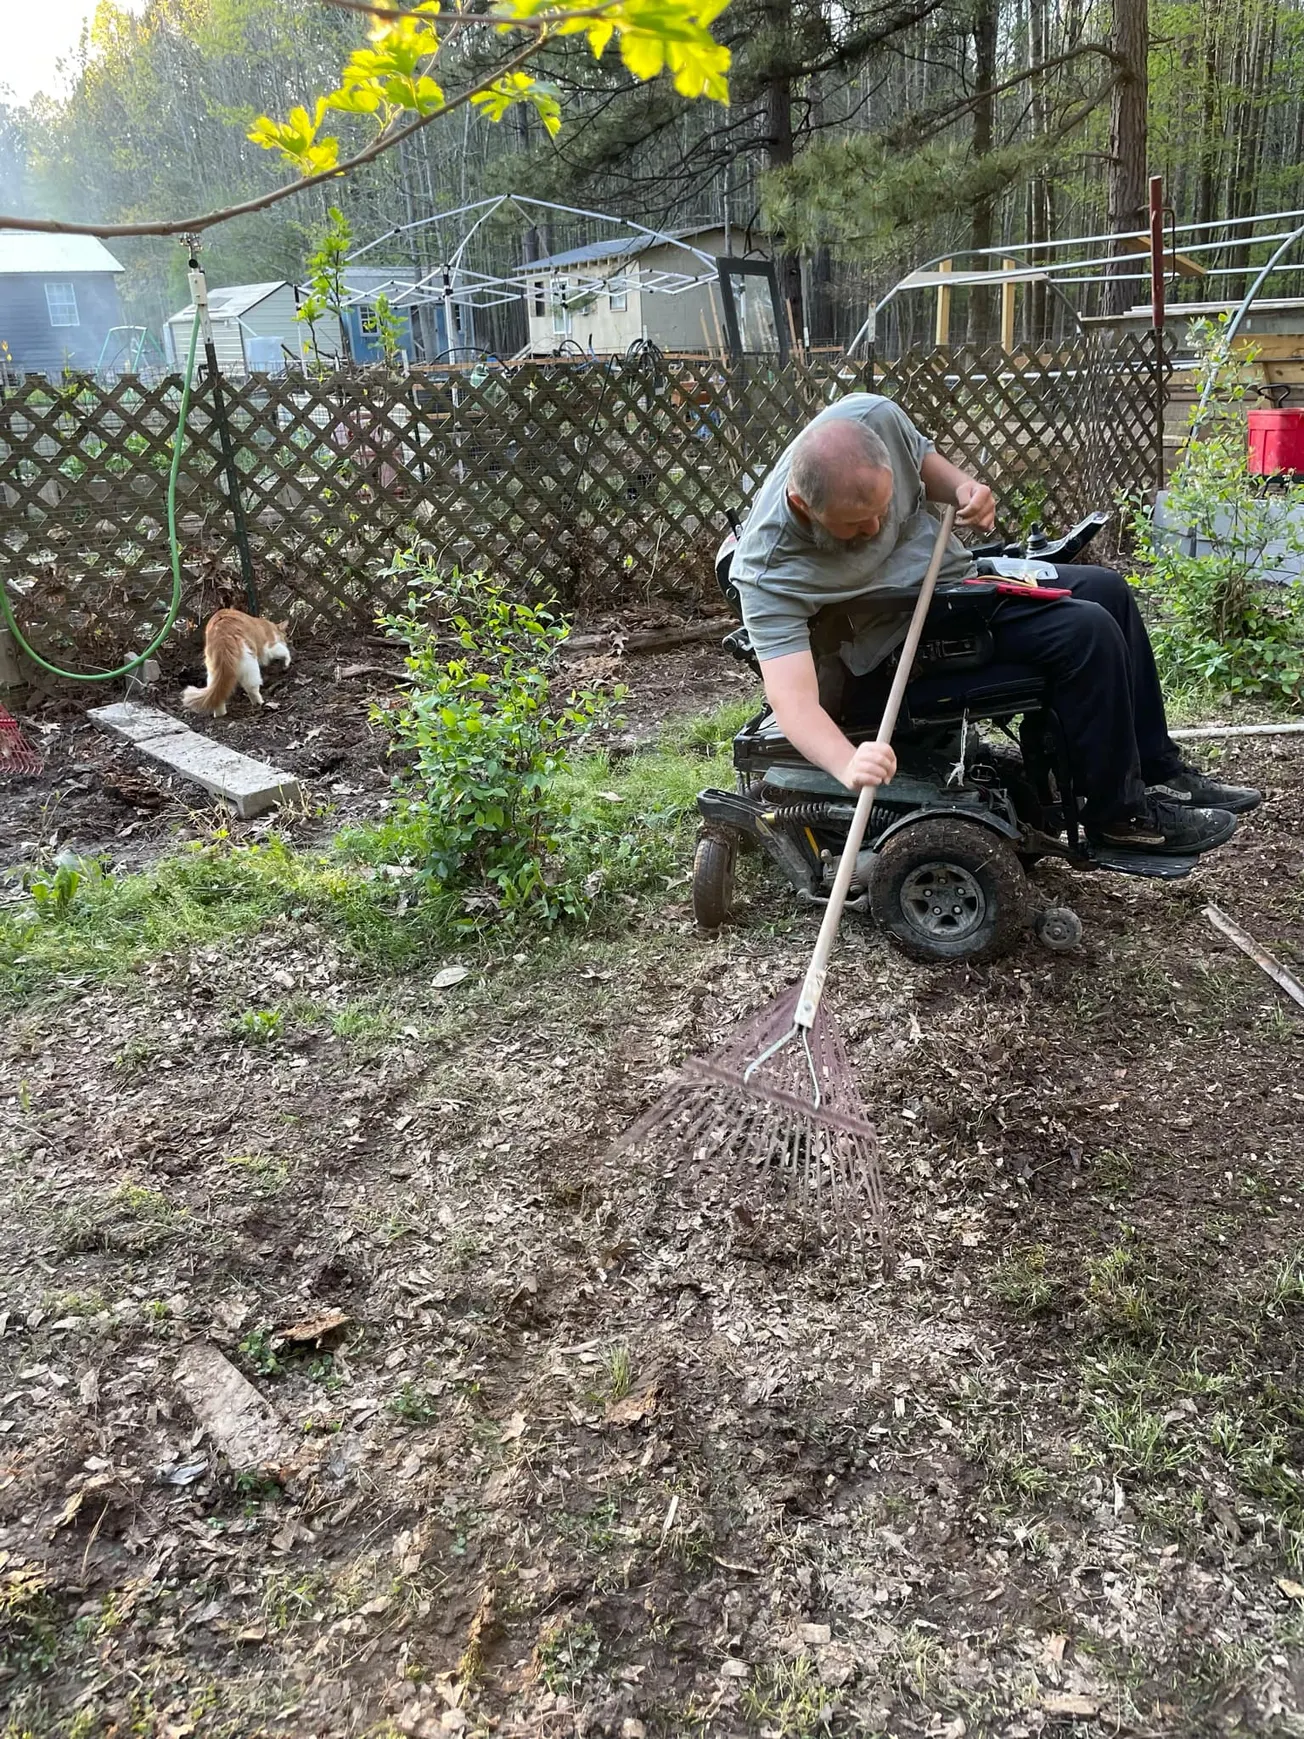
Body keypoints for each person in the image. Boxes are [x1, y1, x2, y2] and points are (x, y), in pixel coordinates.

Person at [728, 394, 1260, 852]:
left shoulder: (874, 417)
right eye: (855, 525)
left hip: (950, 585)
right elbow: (792, 700)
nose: (875, 527)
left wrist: (965, 490)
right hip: (890, 650)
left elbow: (931, 466)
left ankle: (1159, 771)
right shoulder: (770, 568)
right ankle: (1117, 817)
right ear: (802, 504)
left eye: (883, 509)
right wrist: (848, 763)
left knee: (1109, 590)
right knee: (1086, 632)